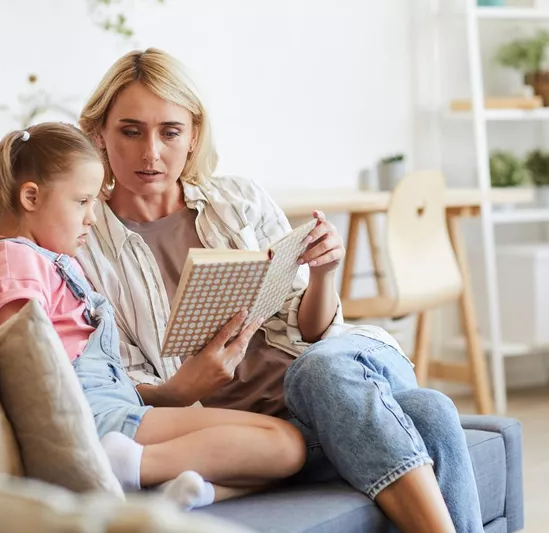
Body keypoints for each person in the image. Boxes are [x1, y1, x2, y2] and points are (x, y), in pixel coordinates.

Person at [76, 48, 485, 533]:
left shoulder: (239, 200)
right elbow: (108, 386)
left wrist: (326, 273)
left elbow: (313, 333)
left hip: (333, 375)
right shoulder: (83, 244)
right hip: (271, 433)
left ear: (193, 137)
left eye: (170, 131)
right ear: (100, 133)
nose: (151, 153)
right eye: (131, 130)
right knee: (430, 410)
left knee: (321, 368)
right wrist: (178, 390)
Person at [0, 122, 306, 509]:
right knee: (285, 445)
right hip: (93, 417)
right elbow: (25, 363)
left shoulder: (44, 258)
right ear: (31, 197)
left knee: (279, 452)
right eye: (81, 201)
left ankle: (159, 486)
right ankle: (126, 466)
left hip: (115, 410)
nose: (91, 217)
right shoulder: (14, 259)